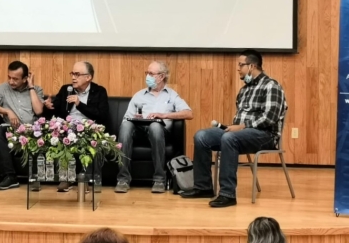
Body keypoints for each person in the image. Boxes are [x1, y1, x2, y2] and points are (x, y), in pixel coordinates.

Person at [181, 49, 287, 208]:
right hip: (241, 133)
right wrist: (233, 127)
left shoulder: (271, 86)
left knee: (229, 138)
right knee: (201, 136)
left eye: (240, 65)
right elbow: (239, 118)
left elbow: (269, 118)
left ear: (251, 66)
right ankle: (203, 187)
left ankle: (227, 194)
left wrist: (242, 127)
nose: (238, 68)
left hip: (265, 136)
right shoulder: (244, 90)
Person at [115, 61, 192, 194]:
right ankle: (123, 179)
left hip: (160, 132)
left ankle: (159, 179)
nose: (147, 76)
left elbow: (189, 113)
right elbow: (126, 118)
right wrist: (136, 119)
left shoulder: (171, 95)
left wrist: (163, 115)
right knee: (126, 125)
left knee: (155, 125)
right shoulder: (139, 95)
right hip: (139, 131)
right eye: (147, 73)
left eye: (151, 73)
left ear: (161, 76)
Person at [44, 61, 109, 191]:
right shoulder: (65, 90)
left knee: (90, 140)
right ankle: (65, 178)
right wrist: (48, 107)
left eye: (77, 74)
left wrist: (79, 104)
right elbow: (55, 111)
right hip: (68, 127)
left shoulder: (99, 91)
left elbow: (102, 115)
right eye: (72, 73)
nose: (73, 77)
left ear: (88, 77)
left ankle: (85, 179)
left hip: (90, 127)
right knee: (61, 135)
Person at [0, 60, 45, 191]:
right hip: (11, 129)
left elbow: (39, 110)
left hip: (31, 129)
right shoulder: (2, 88)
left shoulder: (36, 90)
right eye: (9, 77)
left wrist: (31, 87)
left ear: (25, 78)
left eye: (15, 79)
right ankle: (10, 176)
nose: (11, 81)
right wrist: (7, 111)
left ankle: (35, 176)